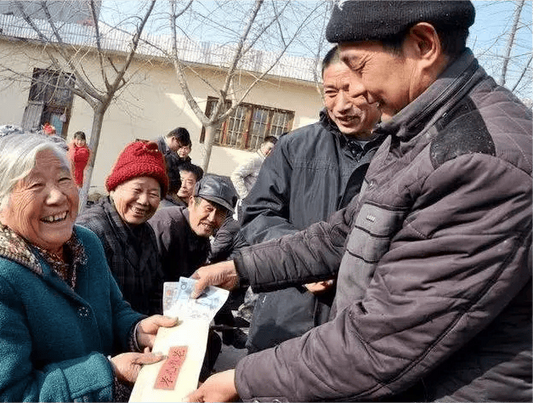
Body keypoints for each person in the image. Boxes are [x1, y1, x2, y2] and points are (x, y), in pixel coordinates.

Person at [187, 1, 533, 402]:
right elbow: (342, 234)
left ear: (423, 45)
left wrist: (240, 379)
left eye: (358, 66)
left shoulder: (479, 160)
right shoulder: (414, 134)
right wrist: (239, 268)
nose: (355, 90)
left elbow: (383, 340)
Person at [0, 133, 177, 402]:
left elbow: (114, 309)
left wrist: (137, 330)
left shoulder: (85, 243)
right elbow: (5, 397)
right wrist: (108, 374)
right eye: (35, 184)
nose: (57, 196)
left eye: (64, 179)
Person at [240, 46, 383, 353]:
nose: (341, 104)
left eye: (351, 91)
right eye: (331, 91)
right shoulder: (294, 147)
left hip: (355, 326)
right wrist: (301, 263)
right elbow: (257, 214)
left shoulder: (399, 154)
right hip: (284, 314)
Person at [77, 140, 167, 315]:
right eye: (137, 190)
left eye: (153, 194)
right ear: (114, 188)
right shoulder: (90, 231)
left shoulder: (146, 231)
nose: (143, 201)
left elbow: (157, 290)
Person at [148, 174, 237, 282]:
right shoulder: (166, 226)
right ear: (191, 203)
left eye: (220, 213)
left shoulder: (201, 234)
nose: (212, 218)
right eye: (208, 209)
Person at [230, 136, 277, 201]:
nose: (270, 152)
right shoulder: (254, 159)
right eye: (269, 148)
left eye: (273, 150)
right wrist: (245, 197)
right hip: (248, 204)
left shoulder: (267, 162)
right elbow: (236, 175)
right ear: (262, 146)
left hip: (258, 202)